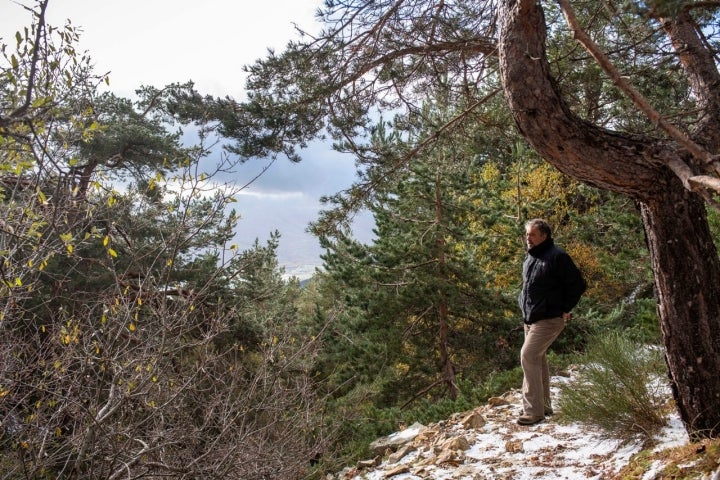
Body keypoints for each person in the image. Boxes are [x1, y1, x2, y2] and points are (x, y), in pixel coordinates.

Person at [517, 218, 586, 426]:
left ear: (544, 236)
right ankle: (543, 406)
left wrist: (565, 308)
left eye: (533, 234)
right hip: (531, 318)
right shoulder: (530, 258)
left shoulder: (558, 257)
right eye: (527, 234)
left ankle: (533, 411)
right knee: (538, 359)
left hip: (550, 318)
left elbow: (578, 285)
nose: (528, 238)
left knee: (528, 356)